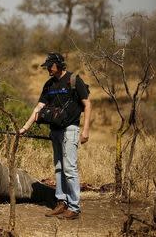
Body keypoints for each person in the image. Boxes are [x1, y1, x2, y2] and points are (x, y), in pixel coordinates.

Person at [19, 52, 91, 220]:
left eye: (50, 66)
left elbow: (87, 105)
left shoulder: (74, 80)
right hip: (55, 131)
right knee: (59, 167)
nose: (48, 70)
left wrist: (85, 130)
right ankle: (61, 202)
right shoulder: (49, 85)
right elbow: (39, 107)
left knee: (69, 168)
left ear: (58, 65)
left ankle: (74, 207)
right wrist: (25, 128)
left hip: (70, 130)